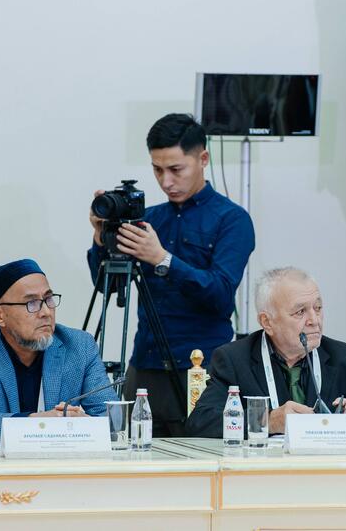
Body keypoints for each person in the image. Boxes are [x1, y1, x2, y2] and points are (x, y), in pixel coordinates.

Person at [87, 113, 255, 437]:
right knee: (132, 452)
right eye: (157, 169)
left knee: (200, 456)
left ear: (203, 159)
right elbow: (108, 286)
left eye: (176, 169)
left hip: (201, 367)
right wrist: (100, 239)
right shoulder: (148, 219)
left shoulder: (232, 219)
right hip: (144, 364)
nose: (166, 182)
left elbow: (220, 295)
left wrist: (162, 259)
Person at [186, 267, 346, 437]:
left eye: (317, 308)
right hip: (262, 475)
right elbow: (200, 424)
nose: (314, 320)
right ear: (267, 322)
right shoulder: (234, 359)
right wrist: (268, 421)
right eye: (300, 312)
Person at [0, 259, 117, 441]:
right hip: (0, 459)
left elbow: (114, 419)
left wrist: (82, 423)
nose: (46, 312)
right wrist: (38, 422)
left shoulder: (79, 346)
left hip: (62, 458)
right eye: (32, 303)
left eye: (48, 299)